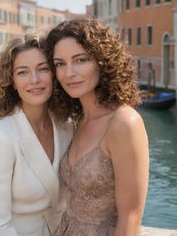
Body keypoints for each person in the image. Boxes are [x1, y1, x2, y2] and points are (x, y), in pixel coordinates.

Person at [0, 34, 73, 236]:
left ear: (54, 75)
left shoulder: (67, 127)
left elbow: (60, 204)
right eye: (22, 72)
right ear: (12, 82)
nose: (34, 80)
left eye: (43, 69)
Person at [46, 19, 149, 236]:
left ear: (103, 61)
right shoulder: (77, 120)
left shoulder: (124, 123)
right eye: (60, 64)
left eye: (80, 60)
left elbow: (131, 217)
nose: (68, 73)